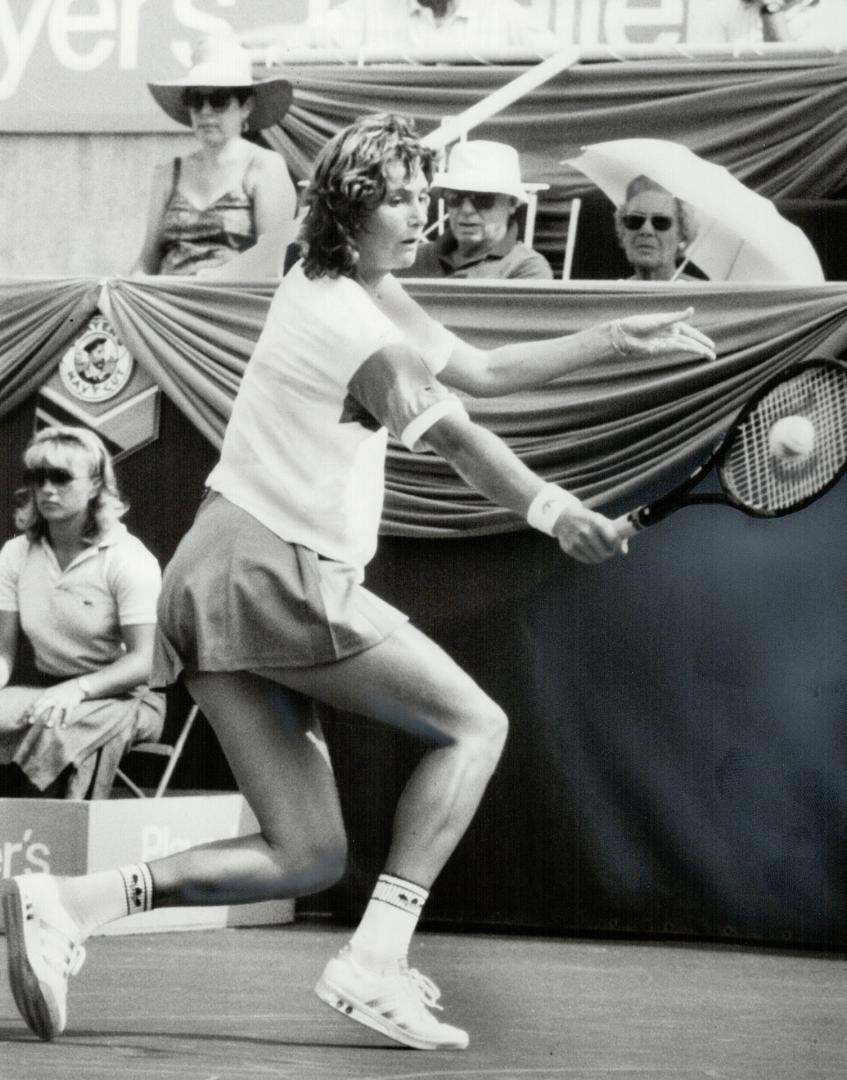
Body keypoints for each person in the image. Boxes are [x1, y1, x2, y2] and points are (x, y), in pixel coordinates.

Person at [1, 113, 714, 1051]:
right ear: (349, 206)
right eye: (399, 197)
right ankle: (373, 962)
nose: (420, 214)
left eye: (425, 195)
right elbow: (459, 436)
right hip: (271, 571)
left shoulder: (347, 283)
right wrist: (553, 511)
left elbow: (488, 370)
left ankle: (66, 902)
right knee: (474, 725)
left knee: (307, 852)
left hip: (212, 575)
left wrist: (616, 337)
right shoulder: (353, 326)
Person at [0, 427, 164, 799]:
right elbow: (3, 652)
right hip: (52, 691)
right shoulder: (15, 554)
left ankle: (50, 843)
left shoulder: (126, 558)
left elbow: (146, 661)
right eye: (37, 478)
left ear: (94, 485)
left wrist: (79, 689)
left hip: (129, 698)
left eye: (60, 478)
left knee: (55, 725)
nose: (46, 490)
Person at [132, 33, 297, 276]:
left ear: (246, 106)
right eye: (196, 100)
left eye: (219, 100)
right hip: (166, 306)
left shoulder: (264, 167)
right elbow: (147, 264)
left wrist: (214, 280)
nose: (206, 112)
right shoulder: (168, 173)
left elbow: (270, 266)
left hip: (231, 306)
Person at [400, 139, 554, 280]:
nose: (466, 210)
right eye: (455, 198)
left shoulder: (527, 268)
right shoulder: (414, 258)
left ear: (512, 203)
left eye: (483, 199)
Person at [240, 0, 558, 54]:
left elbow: (565, 61)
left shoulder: (503, 14)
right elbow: (302, 37)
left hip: (473, 190)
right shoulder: (370, 10)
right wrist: (231, 43)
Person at [614, 175, 703, 282]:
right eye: (635, 220)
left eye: (661, 222)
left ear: (682, 233)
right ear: (623, 230)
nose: (646, 230)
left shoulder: (707, 296)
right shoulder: (609, 295)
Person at [687, 0, 847, 47]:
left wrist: (771, 10)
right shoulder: (720, 6)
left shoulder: (834, 10)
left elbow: (798, 81)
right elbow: (705, 77)